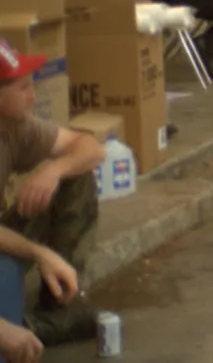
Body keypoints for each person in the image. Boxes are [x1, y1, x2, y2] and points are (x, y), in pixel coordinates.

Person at [0, 37, 105, 353]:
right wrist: (38, 252)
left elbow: (91, 148)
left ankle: (58, 301)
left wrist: (53, 170)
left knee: (76, 175)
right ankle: (22, 327)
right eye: (22, 88)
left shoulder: (15, 127)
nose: (33, 96)